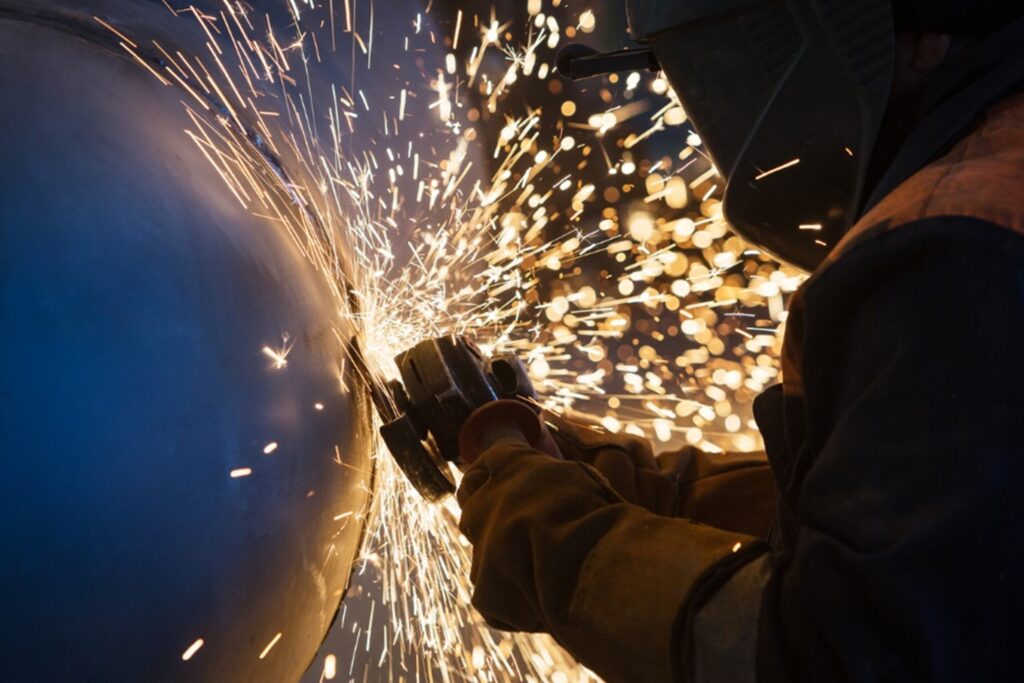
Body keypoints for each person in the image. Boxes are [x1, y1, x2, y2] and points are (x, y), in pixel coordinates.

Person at [454, 1, 1024, 680]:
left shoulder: (953, 251)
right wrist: (641, 493)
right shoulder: (994, 180)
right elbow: (939, 544)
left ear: (921, 35)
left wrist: (563, 546)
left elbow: (838, 656)